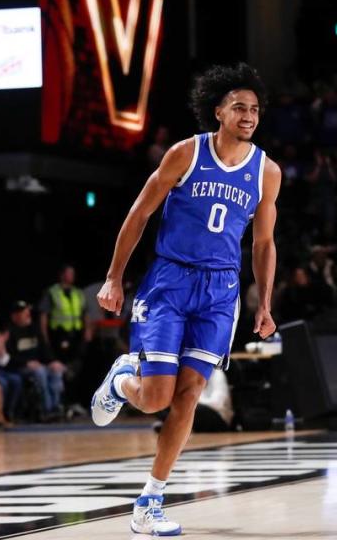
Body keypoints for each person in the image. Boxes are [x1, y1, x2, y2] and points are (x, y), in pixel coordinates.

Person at [90, 63, 281, 536]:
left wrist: (265, 303)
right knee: (155, 399)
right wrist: (114, 278)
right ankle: (121, 381)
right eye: (239, 107)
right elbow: (139, 213)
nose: (248, 115)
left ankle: (150, 500)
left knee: (190, 394)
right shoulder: (186, 154)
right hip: (170, 283)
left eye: (254, 109)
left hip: (221, 291)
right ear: (218, 111)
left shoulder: (266, 171)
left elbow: (262, 244)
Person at [7, 300, 66, 421]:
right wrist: (26, 363)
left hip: (39, 366)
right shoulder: (10, 332)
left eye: (27, 311)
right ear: (15, 316)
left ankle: (56, 408)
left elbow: (45, 350)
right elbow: (8, 357)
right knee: (40, 372)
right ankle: (47, 409)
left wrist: (53, 361)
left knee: (56, 371)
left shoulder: (34, 329)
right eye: (23, 312)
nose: (27, 314)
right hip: (20, 368)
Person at [38, 264, 87, 366]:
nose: (72, 275)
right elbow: (44, 315)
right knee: (60, 363)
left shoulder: (78, 292)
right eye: (69, 273)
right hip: (58, 334)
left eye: (73, 273)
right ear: (62, 275)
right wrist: (44, 336)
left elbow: (84, 313)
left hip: (76, 333)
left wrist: (87, 332)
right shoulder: (52, 292)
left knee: (76, 363)